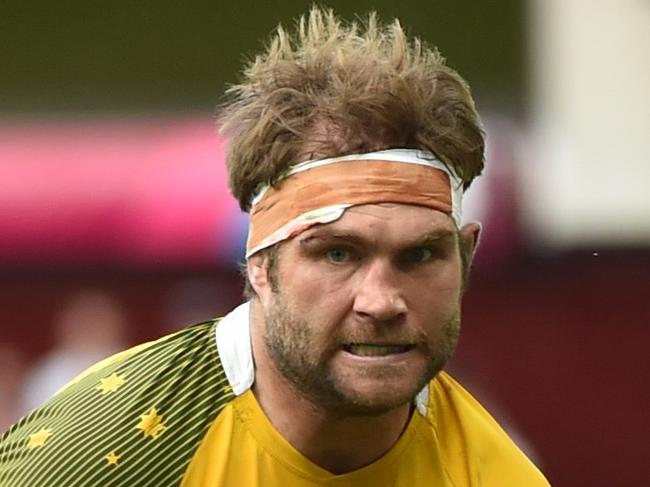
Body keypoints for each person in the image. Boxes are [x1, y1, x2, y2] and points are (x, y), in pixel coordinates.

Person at [0, 8, 550, 486]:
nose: (381, 301)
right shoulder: (95, 458)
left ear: (466, 259)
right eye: (337, 253)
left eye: (420, 255)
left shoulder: (496, 475)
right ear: (259, 265)